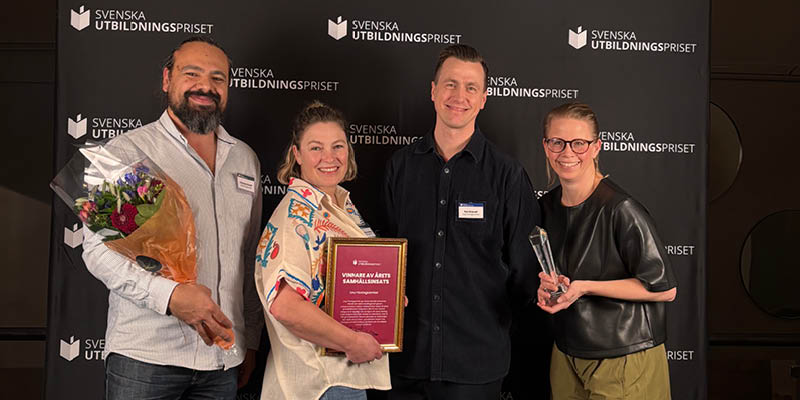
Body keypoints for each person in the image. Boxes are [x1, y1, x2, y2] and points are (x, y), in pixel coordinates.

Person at [81, 37, 263, 399]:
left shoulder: (245, 159)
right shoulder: (128, 151)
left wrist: (251, 339)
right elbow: (98, 252)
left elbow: (248, 256)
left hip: (223, 359)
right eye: (191, 73)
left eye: (218, 78)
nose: (205, 86)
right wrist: (170, 296)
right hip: (146, 359)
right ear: (167, 79)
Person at [379, 44, 544, 399]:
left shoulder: (507, 175)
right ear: (433, 91)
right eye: (450, 84)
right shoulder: (400, 167)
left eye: (471, 87)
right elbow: (383, 256)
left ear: (483, 99)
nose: (459, 96)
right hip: (404, 362)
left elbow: (525, 275)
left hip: (475, 367)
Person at [536, 102, 678, 399]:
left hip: (625, 355)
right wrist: (547, 286)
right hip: (567, 353)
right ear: (546, 146)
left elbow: (664, 289)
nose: (567, 152)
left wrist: (585, 287)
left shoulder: (621, 208)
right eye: (557, 142)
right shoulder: (546, 207)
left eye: (579, 143)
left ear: (596, 147)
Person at [254, 101, 391, 400]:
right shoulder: (296, 216)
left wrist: (386, 299)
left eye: (337, 146)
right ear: (297, 154)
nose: (329, 157)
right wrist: (351, 342)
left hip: (340, 377)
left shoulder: (339, 206)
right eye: (316, 148)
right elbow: (286, 306)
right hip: (319, 383)